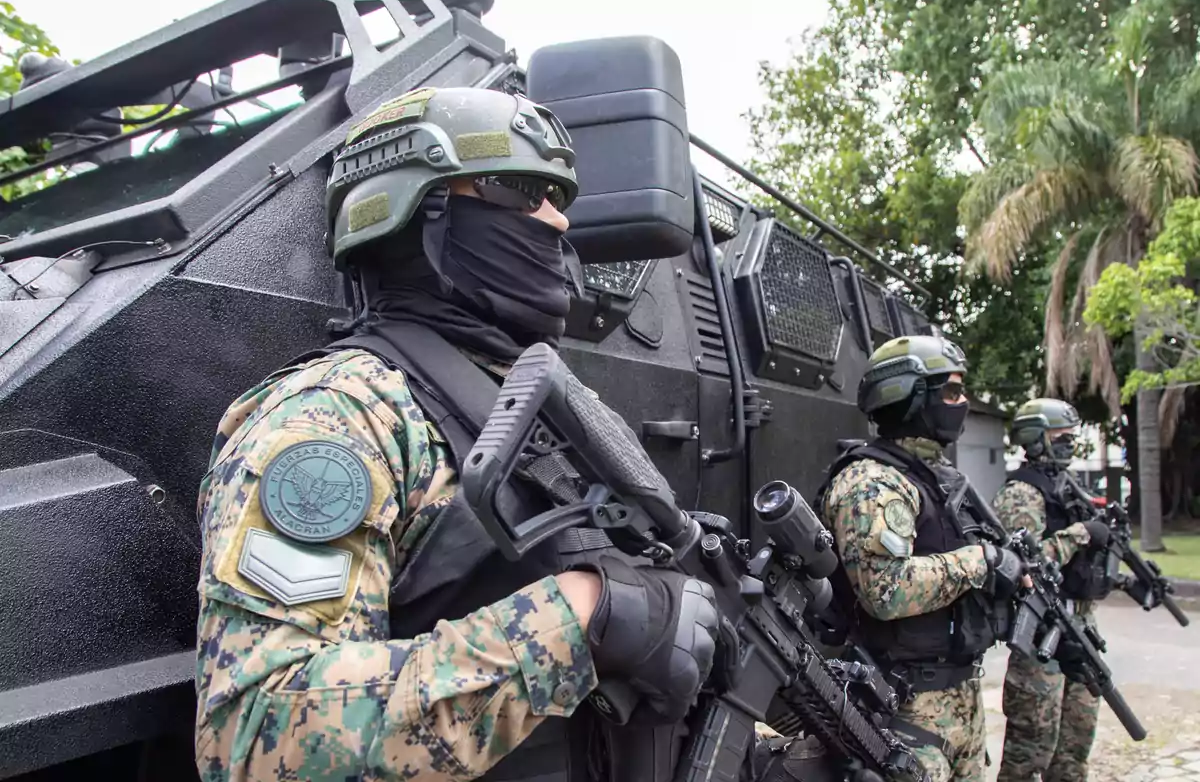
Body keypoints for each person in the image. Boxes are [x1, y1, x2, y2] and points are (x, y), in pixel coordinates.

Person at [193, 85, 831, 782]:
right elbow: (255, 738)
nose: (558, 223)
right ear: (418, 210)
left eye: (558, 196)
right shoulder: (339, 414)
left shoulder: (547, 404)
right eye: (524, 191)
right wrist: (583, 616)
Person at [815, 335, 1027, 782]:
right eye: (951, 392)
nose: (963, 402)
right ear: (909, 396)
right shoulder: (870, 481)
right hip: (905, 711)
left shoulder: (938, 479)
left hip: (961, 700)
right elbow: (885, 591)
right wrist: (981, 561)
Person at [994, 398, 1111, 782]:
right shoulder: (1021, 494)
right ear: (1035, 437)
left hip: (1080, 629)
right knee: (1031, 749)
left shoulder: (1067, 486)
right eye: (1061, 437)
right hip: (1043, 636)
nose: (1069, 445)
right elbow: (1022, 563)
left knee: (1075, 749)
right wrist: (1079, 535)